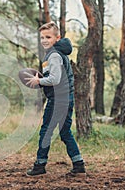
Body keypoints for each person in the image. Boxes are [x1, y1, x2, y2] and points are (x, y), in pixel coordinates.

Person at [24, 22, 85, 176]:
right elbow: (56, 77)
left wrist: (39, 81)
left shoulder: (54, 55)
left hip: (59, 99)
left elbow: (55, 79)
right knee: (65, 132)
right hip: (66, 97)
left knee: (46, 132)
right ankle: (79, 165)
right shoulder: (56, 53)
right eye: (42, 37)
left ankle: (40, 165)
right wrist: (43, 78)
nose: (44, 40)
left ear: (57, 38)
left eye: (48, 37)